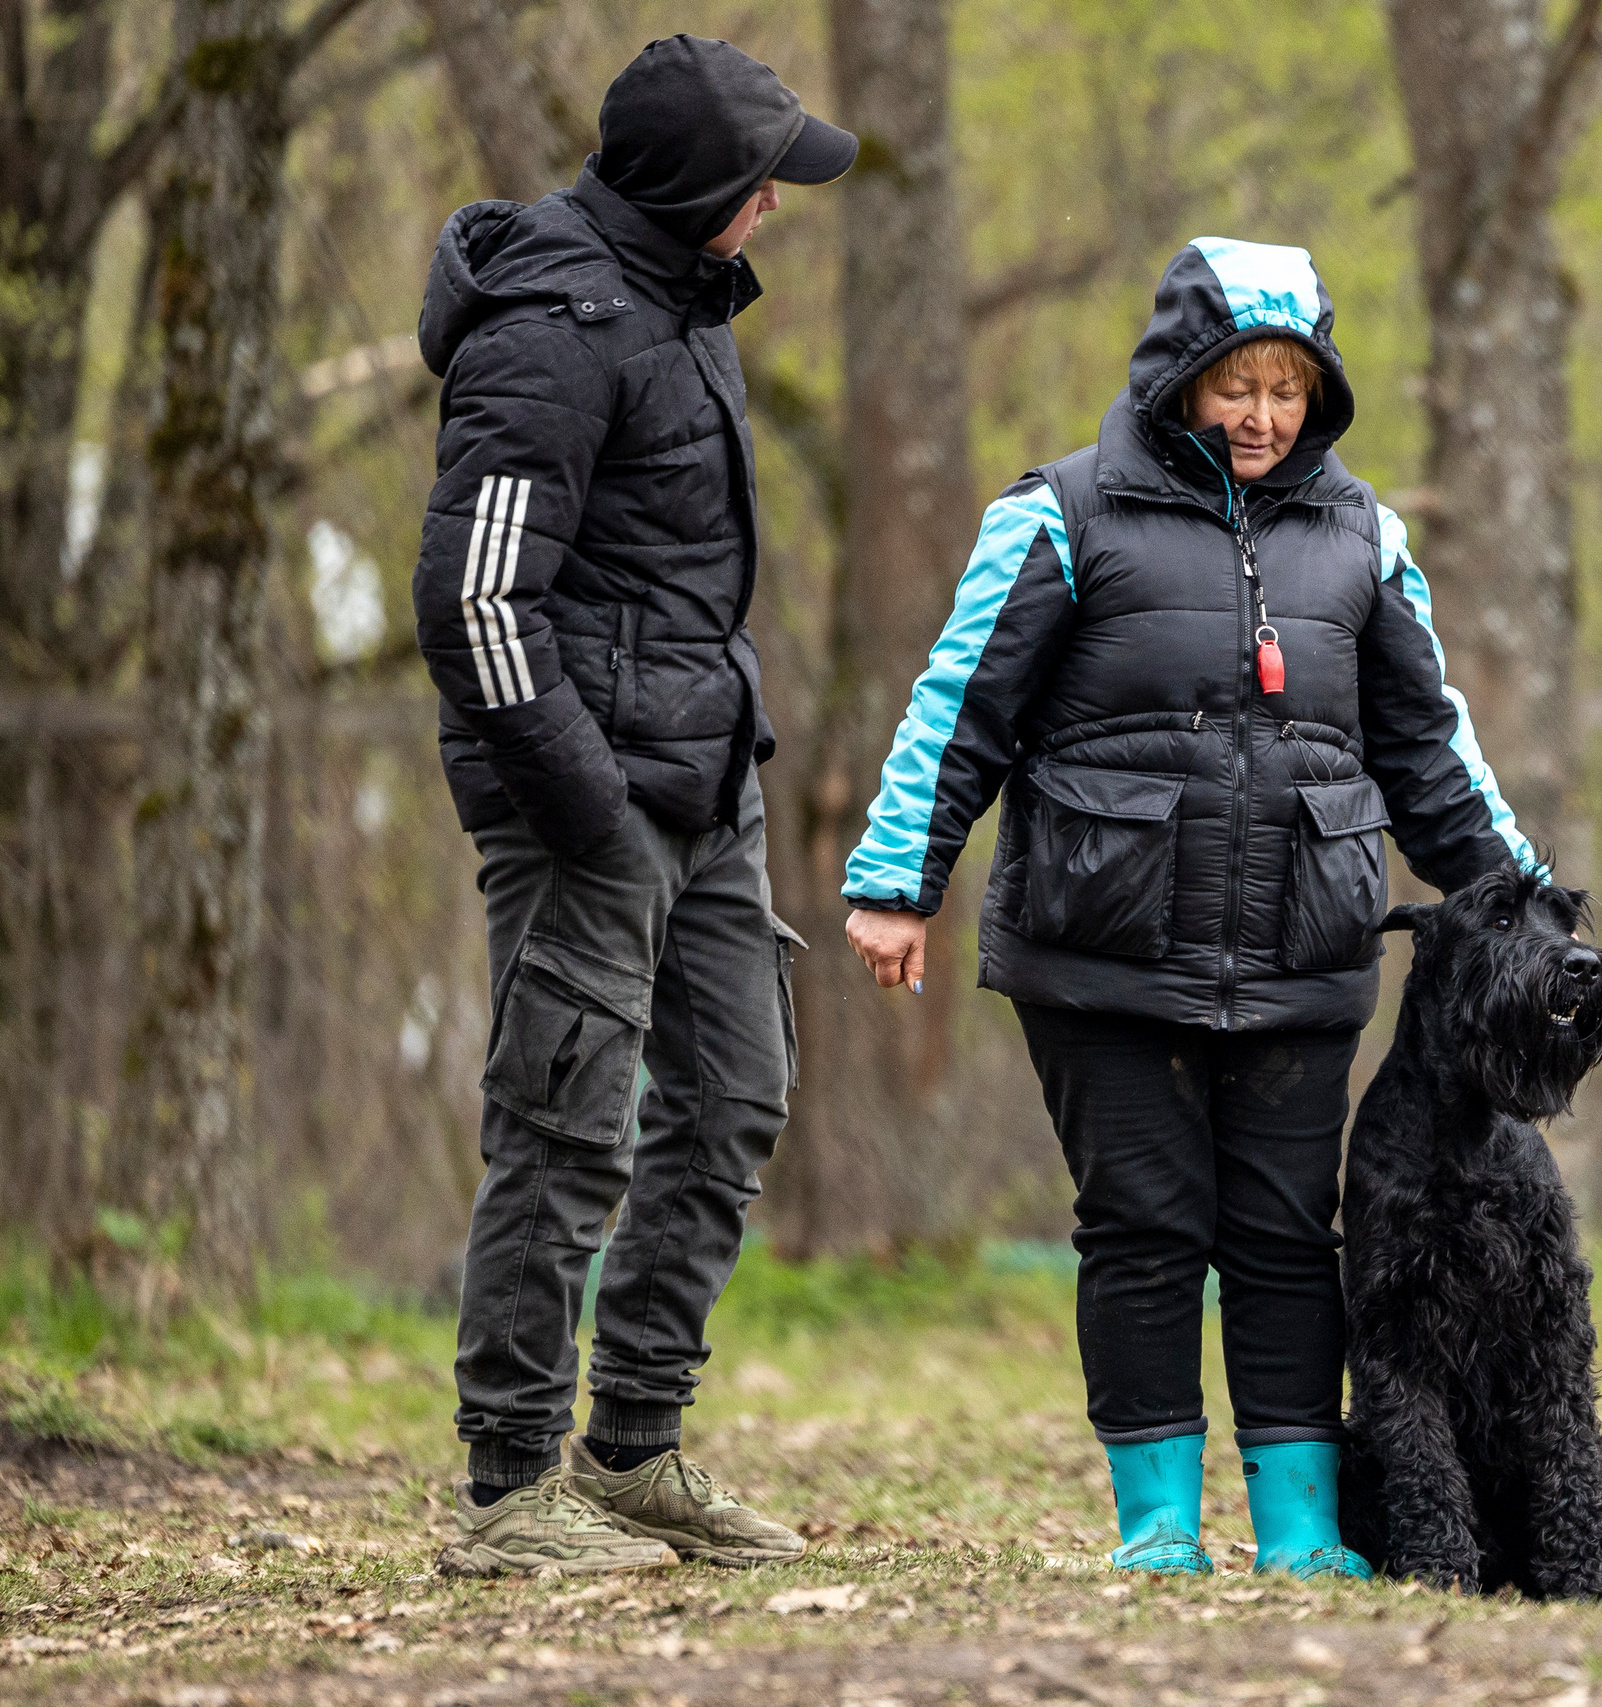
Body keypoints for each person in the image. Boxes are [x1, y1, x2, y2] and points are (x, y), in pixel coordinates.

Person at [842, 238, 1541, 1579]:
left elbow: (1430, 750)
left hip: (1304, 946)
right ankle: (1157, 1525)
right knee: (1146, 1231)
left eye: (1289, 389)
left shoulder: (1364, 539)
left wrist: (1523, 902)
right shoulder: (1058, 514)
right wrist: (896, 881)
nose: (1263, 417)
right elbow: (959, 709)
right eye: (1237, 385)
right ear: (1179, 377)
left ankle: (1297, 1530)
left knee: (1287, 1236)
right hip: (1103, 954)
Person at [410, 35, 858, 1576]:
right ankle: (508, 1486)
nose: (776, 210)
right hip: (585, 808)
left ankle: (632, 1454)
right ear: (691, 191)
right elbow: (473, 599)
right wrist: (589, 810)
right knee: (564, 1129)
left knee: (733, 1096)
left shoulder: (685, 305)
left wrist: (721, 762)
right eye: (758, 183)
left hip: (705, 789)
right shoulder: (551, 334)